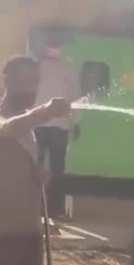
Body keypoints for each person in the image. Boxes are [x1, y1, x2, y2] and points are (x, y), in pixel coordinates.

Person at [0, 55, 70, 265]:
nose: (31, 88)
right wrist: (43, 112)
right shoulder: (11, 120)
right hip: (2, 232)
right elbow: (8, 130)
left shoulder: (28, 127)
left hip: (28, 229)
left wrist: (40, 175)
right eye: (25, 81)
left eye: (35, 82)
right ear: (7, 81)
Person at [34, 39, 80, 222]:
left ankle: (31, 205)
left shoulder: (36, 68)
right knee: (58, 169)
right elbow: (75, 99)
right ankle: (55, 209)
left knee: (33, 167)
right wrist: (75, 123)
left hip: (37, 125)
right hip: (60, 127)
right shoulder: (68, 69)